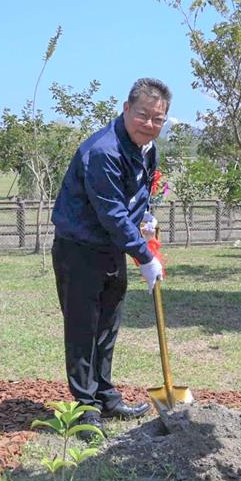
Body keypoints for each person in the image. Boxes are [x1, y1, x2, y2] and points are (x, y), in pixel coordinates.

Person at [50, 78, 170, 437]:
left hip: (111, 248)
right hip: (80, 249)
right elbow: (112, 213)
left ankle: (104, 394)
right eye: (143, 115)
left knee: (107, 327)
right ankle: (86, 408)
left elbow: (138, 194)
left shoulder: (146, 148)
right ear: (125, 109)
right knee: (83, 329)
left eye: (158, 119)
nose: (150, 124)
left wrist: (146, 218)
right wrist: (145, 257)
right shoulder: (104, 151)